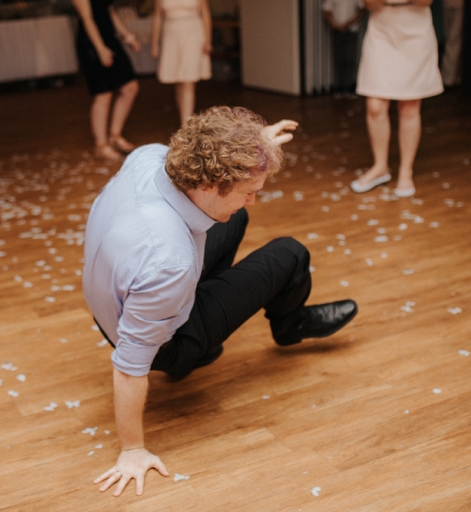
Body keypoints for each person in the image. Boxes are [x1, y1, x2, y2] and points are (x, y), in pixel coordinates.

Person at [83, 106, 358, 497]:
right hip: (162, 341)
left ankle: (193, 325)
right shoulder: (169, 262)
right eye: (248, 191)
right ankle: (288, 325)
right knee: (290, 253)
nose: (253, 199)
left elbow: (209, 148)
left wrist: (255, 145)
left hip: (110, 303)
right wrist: (132, 450)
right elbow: (129, 366)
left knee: (235, 219)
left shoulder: (151, 156)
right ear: (212, 184)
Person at [350, 0, 443, 197]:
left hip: (416, 30)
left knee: (409, 106)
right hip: (381, 29)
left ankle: (406, 171)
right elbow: (370, 4)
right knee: (375, 106)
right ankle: (380, 167)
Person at [72, 0, 141, 161]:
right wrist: (100, 48)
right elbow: (87, 18)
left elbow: (109, 11)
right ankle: (101, 145)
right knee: (104, 93)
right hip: (91, 43)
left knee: (130, 87)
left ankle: (115, 135)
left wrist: (127, 36)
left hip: (110, 38)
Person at [150, 0, 212, 126]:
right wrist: (154, 43)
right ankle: (184, 119)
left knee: (188, 79)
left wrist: (208, 40)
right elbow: (157, 15)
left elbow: (205, 12)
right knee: (178, 80)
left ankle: (186, 125)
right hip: (171, 34)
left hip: (193, 33)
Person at [322, 0, 365, 97]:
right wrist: (334, 25)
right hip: (337, 30)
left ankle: (350, 87)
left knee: (350, 59)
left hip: (352, 29)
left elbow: (362, 9)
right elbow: (326, 10)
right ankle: (340, 87)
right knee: (338, 59)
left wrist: (350, 22)